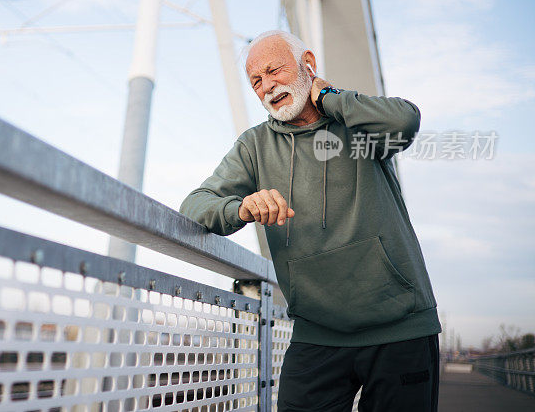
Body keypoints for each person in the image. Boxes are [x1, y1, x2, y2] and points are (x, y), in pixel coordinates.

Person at [179, 30, 441, 411]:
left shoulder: (358, 127)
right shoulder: (254, 146)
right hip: (318, 334)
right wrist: (241, 208)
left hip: (399, 326)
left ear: (308, 65)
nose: (267, 86)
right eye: (256, 81)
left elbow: (405, 121)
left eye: (274, 71)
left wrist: (331, 98)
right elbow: (195, 204)